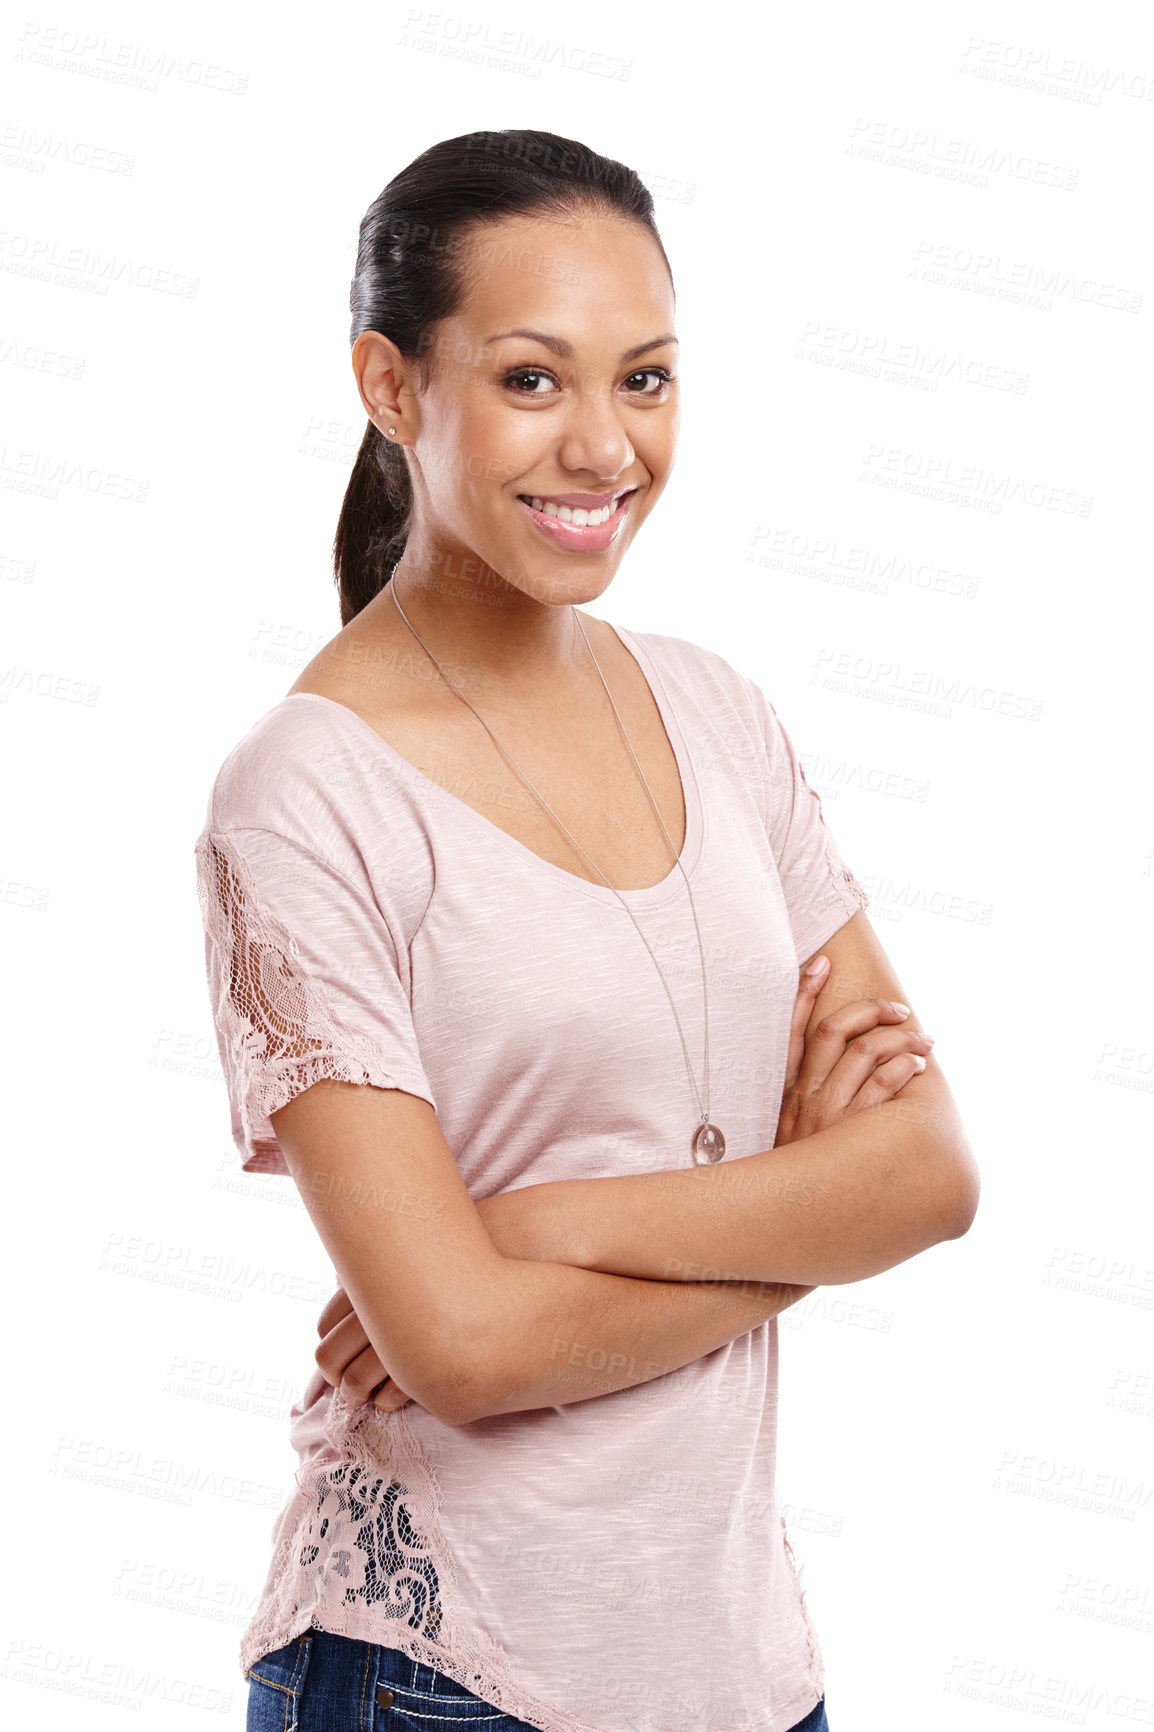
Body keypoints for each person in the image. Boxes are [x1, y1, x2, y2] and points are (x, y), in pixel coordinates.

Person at [193, 128, 978, 1732]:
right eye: (534, 380)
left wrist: (533, 1224)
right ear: (390, 386)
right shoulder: (303, 795)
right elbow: (466, 1351)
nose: (605, 448)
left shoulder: (714, 714)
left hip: (743, 1673)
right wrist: (800, 1226)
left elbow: (926, 1175)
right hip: (450, 1675)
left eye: (648, 379)